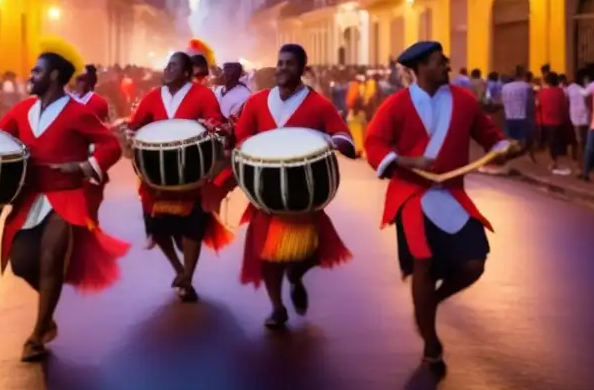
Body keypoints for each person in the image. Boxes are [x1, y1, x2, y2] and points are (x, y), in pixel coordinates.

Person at [363, 41, 514, 373]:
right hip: (412, 195)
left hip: (451, 194)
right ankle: (431, 343)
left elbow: (491, 136)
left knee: (475, 262)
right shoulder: (396, 105)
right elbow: (373, 143)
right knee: (424, 264)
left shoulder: (464, 102)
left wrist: (504, 147)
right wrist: (404, 159)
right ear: (418, 69)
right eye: (437, 62)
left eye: (445, 60)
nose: (446, 66)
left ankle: (432, 300)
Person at [0, 38, 128, 361]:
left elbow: (110, 146)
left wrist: (83, 166)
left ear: (55, 76)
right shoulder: (21, 110)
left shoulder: (78, 113)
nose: (31, 75)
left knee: (51, 257)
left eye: (37, 70)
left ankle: (39, 332)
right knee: (21, 263)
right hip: (29, 198)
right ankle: (48, 310)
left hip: (66, 197)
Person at [213, 44, 355, 329]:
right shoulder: (256, 102)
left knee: (311, 253)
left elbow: (345, 138)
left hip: (304, 194)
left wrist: (332, 141)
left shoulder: (319, 104)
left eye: (289, 63)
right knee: (267, 255)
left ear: (303, 68)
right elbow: (242, 138)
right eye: (279, 63)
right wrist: (245, 149)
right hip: (265, 192)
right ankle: (277, 307)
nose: (282, 68)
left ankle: (297, 275)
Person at [126, 51, 230, 301]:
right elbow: (135, 124)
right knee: (157, 227)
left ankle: (188, 277)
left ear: (186, 72)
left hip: (191, 172)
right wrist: (130, 134)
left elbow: (216, 121)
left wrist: (212, 127)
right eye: (167, 65)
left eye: (173, 66)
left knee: (192, 227)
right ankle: (179, 269)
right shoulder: (152, 97)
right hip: (157, 177)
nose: (167, 69)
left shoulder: (203, 95)